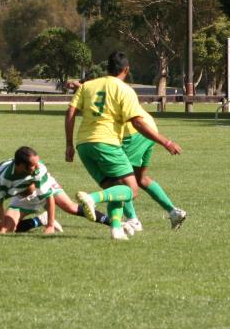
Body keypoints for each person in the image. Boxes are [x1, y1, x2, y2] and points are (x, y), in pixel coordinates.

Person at [65, 51, 182, 240]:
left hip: (84, 146)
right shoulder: (125, 90)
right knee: (131, 190)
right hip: (107, 143)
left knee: (115, 189)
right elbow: (137, 122)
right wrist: (166, 142)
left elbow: (70, 112)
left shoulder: (88, 86)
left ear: (107, 68)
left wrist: (69, 144)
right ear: (126, 69)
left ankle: (117, 230)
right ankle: (92, 199)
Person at [0, 146, 111, 234]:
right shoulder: (2, 178)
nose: (37, 166)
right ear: (20, 165)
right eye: (33, 165)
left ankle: (114, 223)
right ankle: (40, 220)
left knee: (69, 206)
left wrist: (50, 226)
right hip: (23, 197)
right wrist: (1, 228)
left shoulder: (39, 170)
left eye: (37, 163)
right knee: (9, 229)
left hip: (43, 186)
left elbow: (48, 196)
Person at [121, 107, 187, 231]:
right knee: (140, 178)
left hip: (135, 132)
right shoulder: (121, 89)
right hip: (149, 130)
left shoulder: (107, 90)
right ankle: (174, 212)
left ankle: (132, 220)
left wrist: (167, 143)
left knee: (120, 178)